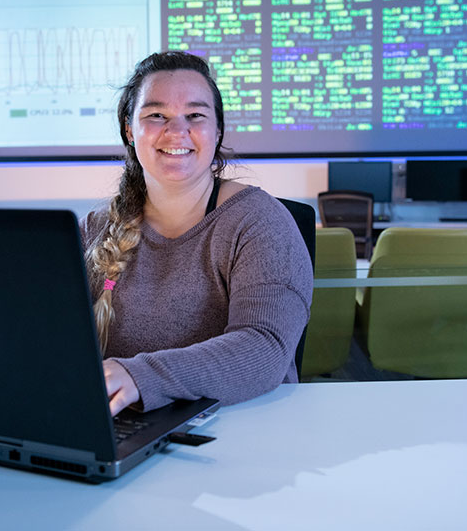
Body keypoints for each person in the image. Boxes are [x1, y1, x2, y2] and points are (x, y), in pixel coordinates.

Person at [79, 51, 313, 416]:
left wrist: (139, 376)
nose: (176, 131)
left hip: (241, 435)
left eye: (195, 116)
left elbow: (264, 347)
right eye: (156, 115)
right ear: (129, 129)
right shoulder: (94, 231)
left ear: (217, 130)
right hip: (124, 432)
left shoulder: (259, 222)